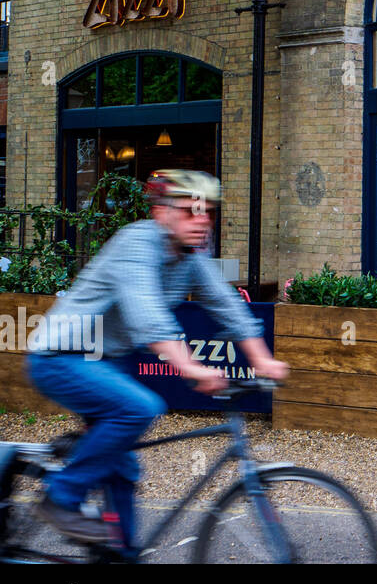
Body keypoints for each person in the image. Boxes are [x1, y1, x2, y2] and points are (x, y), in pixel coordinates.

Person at [25, 169, 288, 551]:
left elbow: (228, 305)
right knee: (140, 407)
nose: (201, 221)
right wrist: (192, 367)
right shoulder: (137, 243)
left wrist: (263, 360)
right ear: (161, 213)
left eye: (207, 212)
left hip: (107, 361)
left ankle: (122, 555)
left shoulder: (190, 256)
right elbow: (149, 317)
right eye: (189, 211)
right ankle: (59, 497)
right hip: (61, 357)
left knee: (122, 467)